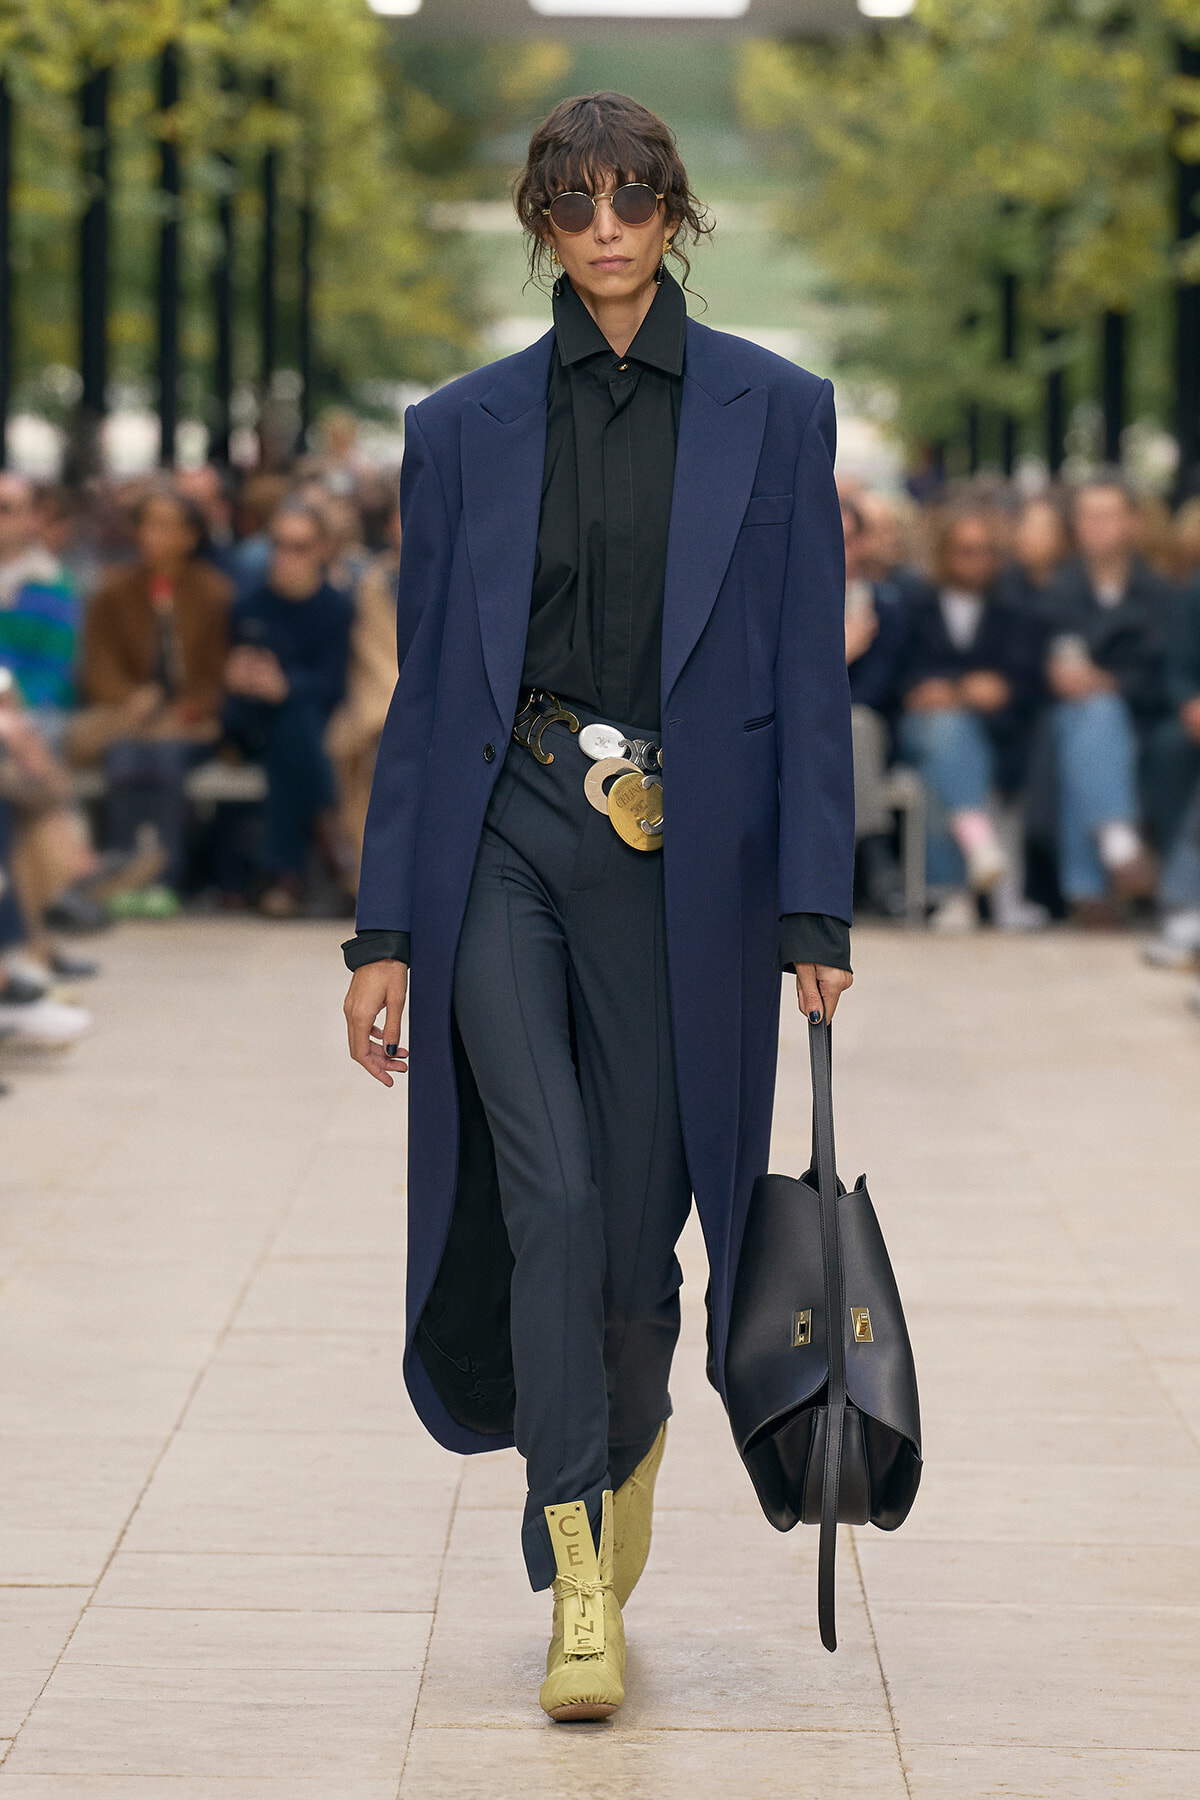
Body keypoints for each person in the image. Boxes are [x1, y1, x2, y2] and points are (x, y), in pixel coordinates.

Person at [341, 92, 854, 1723]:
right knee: (550, 1197)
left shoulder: (779, 412)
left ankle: (606, 1455)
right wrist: (381, 931)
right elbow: (430, 693)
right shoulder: (463, 426)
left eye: (635, 194)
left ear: (676, 214)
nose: (608, 223)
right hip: (507, 833)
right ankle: (579, 1569)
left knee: (642, 1242)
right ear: (542, 225)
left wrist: (816, 911)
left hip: (684, 857)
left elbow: (803, 677)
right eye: (575, 200)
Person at [72, 487, 232, 904]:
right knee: (125, 755)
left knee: (165, 757)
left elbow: (220, 669)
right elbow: (98, 664)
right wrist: (129, 696)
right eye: (146, 524)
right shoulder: (114, 592)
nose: (151, 535)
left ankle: (165, 878)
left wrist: (192, 706)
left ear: (190, 536)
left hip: (190, 722)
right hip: (129, 719)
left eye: (165, 525)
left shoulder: (215, 593)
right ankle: (125, 873)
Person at [897, 507, 1045, 932]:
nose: (975, 561)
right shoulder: (915, 605)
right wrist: (934, 693)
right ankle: (980, 852)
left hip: (993, 734)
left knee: (947, 758)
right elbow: (898, 675)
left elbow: (1020, 682)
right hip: (920, 727)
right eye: (965, 551)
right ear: (944, 553)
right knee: (946, 731)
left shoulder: (1014, 610)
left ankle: (953, 893)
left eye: (984, 552)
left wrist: (961, 692)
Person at [1037, 479, 1169, 922]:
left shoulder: (1160, 593)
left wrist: (1109, 682)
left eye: (1108, 514)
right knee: (1089, 719)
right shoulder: (1056, 591)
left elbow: (1168, 672)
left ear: (1133, 522)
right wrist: (1056, 676)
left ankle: (1086, 890)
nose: (1096, 526)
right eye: (1087, 515)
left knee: (1094, 719)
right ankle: (1117, 840)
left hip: (1142, 719)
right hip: (1059, 716)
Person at [224, 500, 353, 917]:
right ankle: (328, 835)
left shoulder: (337, 608)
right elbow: (225, 676)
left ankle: (286, 874)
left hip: (306, 726)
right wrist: (239, 676)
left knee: (293, 726)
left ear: (322, 550)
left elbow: (335, 682)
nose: (286, 558)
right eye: (278, 545)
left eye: (299, 547)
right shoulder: (249, 604)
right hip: (248, 726)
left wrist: (287, 687)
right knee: (293, 726)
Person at [324, 504, 401, 888]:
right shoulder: (372, 582)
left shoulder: (462, 577)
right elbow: (371, 656)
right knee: (370, 745)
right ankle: (373, 878)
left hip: (439, 709)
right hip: (379, 703)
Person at [841, 497, 910, 916]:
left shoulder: (887, 607)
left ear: (864, 543)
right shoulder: (791, 604)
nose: (841, 550)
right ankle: (876, 857)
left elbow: (877, 690)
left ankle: (874, 863)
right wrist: (838, 654)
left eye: (849, 540)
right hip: (800, 735)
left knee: (858, 724)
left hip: (869, 735)